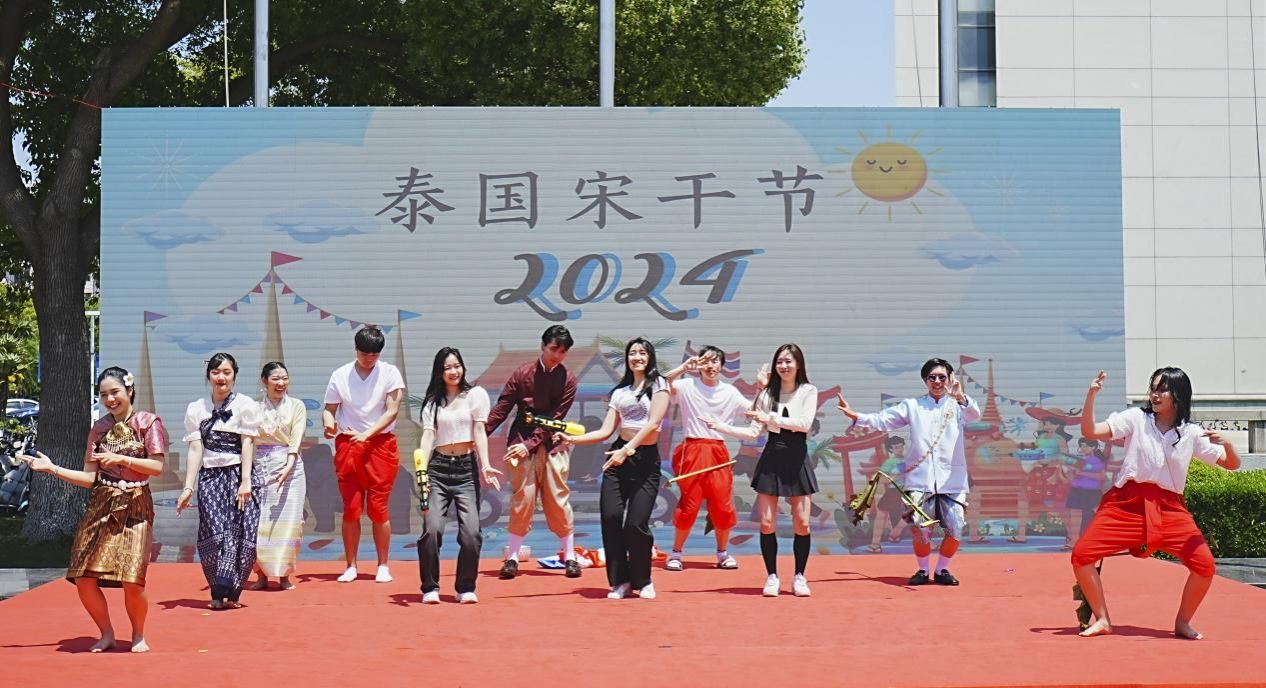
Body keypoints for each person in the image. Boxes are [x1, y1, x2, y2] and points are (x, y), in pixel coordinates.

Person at [1072, 368, 1240, 639]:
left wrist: (1228, 444)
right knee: (1082, 555)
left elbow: (1231, 464)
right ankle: (1102, 619)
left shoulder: (1191, 433)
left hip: (1170, 508)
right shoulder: (1136, 418)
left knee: (1205, 566)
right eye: (1153, 388)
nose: (1155, 395)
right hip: (1125, 504)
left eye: (1162, 389)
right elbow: (1090, 431)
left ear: (1178, 395)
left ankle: (1182, 622)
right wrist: (1091, 395)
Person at [20, 367, 167, 652]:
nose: (110, 399)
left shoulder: (149, 423)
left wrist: (121, 459)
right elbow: (90, 478)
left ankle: (138, 634)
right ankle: (106, 633)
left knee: (132, 579)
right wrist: (52, 469)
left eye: (115, 392)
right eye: (104, 395)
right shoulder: (99, 429)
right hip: (102, 504)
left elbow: (157, 466)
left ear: (129, 390)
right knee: (83, 577)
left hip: (135, 506)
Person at [838, 357, 981, 586]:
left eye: (942, 377)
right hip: (920, 480)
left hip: (952, 481)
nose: (937, 381)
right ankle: (923, 570)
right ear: (925, 380)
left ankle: (942, 570)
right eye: (932, 377)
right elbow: (884, 420)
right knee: (920, 530)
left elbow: (975, 415)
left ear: (950, 379)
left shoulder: (958, 405)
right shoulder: (913, 406)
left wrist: (960, 397)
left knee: (955, 528)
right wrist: (857, 417)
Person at [558, 337, 670, 599]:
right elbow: (606, 431)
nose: (637, 357)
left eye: (642, 353)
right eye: (632, 353)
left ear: (650, 357)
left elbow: (653, 423)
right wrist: (572, 440)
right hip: (617, 457)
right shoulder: (619, 393)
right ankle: (621, 581)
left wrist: (628, 449)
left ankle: (643, 580)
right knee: (610, 517)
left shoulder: (660, 384)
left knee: (636, 523)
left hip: (644, 459)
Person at [708, 343, 819, 598]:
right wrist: (720, 426)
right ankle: (772, 576)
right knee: (767, 523)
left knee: (802, 523)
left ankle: (799, 576)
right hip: (772, 456)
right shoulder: (767, 393)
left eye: (788, 361)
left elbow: (804, 424)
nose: (784, 366)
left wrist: (771, 418)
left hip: (797, 456)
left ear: (798, 364)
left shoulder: (808, 390)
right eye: (779, 361)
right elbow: (752, 432)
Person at [485, 325, 581, 579]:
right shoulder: (522, 373)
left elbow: (554, 419)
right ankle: (513, 558)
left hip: (552, 445)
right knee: (522, 499)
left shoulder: (569, 379)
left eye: (563, 351)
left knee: (558, 499)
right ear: (542, 346)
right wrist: (480, 433)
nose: (557, 355)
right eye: (553, 349)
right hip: (520, 443)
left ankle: (569, 556)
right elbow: (502, 408)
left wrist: (528, 444)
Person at [415, 347, 503, 604]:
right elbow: (428, 436)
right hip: (438, 469)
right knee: (432, 530)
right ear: (439, 372)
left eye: (457, 366)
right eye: (447, 368)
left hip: (465, 470)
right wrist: (422, 472)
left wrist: (485, 465)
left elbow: (479, 431)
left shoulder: (475, 395)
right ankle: (430, 587)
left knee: (471, 533)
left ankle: (465, 587)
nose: (453, 372)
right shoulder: (433, 402)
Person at [660, 345, 759, 571]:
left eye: (715, 361)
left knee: (722, 505)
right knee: (689, 505)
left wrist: (763, 388)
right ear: (698, 364)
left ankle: (723, 553)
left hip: (718, 452)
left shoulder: (730, 392)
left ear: (722, 366)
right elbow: (661, 384)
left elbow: (754, 410)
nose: (710, 366)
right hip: (692, 450)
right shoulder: (687, 385)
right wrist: (683, 367)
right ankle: (676, 553)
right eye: (705, 361)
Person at [176, 352, 263, 609]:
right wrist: (188, 486)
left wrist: (245, 481)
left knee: (241, 532)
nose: (221, 377)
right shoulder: (197, 408)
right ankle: (216, 592)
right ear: (208, 376)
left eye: (226, 372)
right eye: (216, 372)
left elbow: (248, 443)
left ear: (234, 375)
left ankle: (233, 594)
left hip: (239, 475)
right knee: (213, 534)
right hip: (210, 478)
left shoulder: (245, 405)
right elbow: (195, 449)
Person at [323, 325, 406, 584]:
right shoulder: (340, 375)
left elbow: (392, 411)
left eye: (374, 355)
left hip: (380, 444)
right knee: (351, 507)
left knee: (378, 507)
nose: (369, 359)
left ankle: (383, 564)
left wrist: (368, 434)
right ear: (356, 349)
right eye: (364, 354)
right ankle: (351, 565)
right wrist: (329, 424)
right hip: (349, 444)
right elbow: (329, 409)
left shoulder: (390, 373)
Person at [250, 362, 307, 591]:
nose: (281, 383)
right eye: (275, 379)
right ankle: (261, 575)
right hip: (261, 467)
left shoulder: (296, 405)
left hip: (291, 469)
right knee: (260, 522)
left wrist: (289, 463)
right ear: (264, 381)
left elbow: (297, 436)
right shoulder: (254, 408)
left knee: (289, 522)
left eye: (285, 378)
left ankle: (284, 575)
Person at [867, 435, 911, 553]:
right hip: (894, 491)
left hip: (909, 490)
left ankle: (895, 532)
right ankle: (875, 544)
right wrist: (894, 476)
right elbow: (880, 479)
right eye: (896, 447)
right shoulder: (890, 462)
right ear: (890, 449)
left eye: (901, 446)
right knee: (881, 514)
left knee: (915, 513)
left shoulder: (909, 459)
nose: (899, 449)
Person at [1063, 437, 1107, 548]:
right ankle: (1074, 541)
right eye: (1081, 446)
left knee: (1099, 515)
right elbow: (1070, 476)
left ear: (1093, 447)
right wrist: (1069, 471)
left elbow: (1101, 476)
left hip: (1091, 492)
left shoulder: (1096, 460)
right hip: (1077, 490)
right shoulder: (1078, 460)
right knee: (1074, 516)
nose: (1083, 448)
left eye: (1086, 446)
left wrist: (1082, 473)